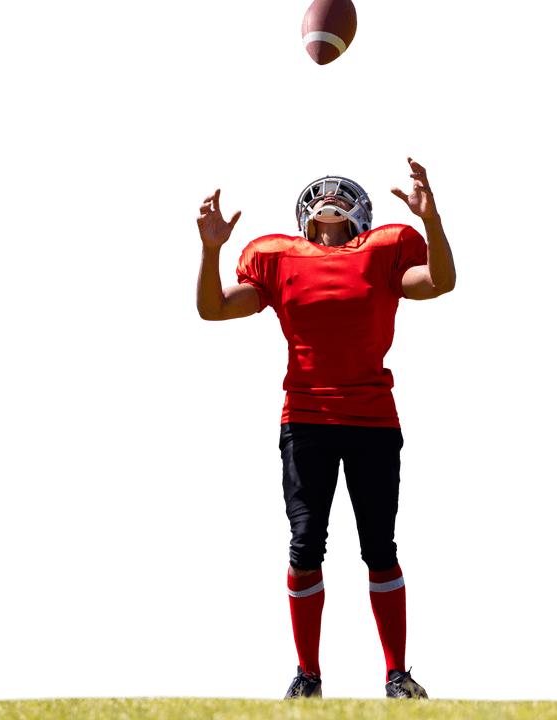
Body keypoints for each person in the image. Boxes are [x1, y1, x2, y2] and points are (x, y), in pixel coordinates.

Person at [193, 156, 456, 699]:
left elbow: (437, 283)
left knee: (380, 546)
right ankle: (308, 675)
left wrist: (432, 223)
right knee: (305, 545)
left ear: (361, 213)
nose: (330, 203)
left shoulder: (383, 253)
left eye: (341, 196)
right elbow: (214, 309)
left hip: (373, 417)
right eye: (320, 196)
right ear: (302, 215)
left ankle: (397, 673)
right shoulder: (279, 260)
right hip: (307, 417)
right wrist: (212, 251)